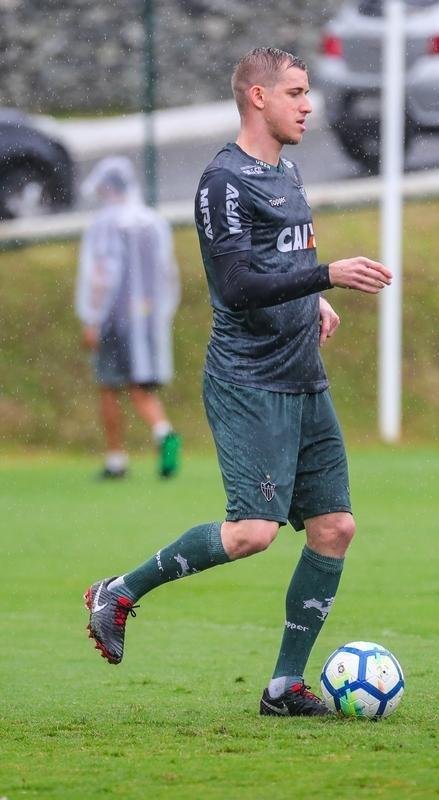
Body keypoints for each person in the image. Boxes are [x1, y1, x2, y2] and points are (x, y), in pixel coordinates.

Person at [84, 48, 392, 716]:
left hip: (303, 379)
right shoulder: (223, 181)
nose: (307, 104)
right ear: (256, 96)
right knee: (251, 531)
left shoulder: (286, 173)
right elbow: (235, 284)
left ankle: (284, 687)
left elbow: (280, 259)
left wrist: (312, 299)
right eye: (295, 92)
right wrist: (325, 276)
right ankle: (120, 591)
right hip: (249, 381)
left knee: (334, 527)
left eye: (307, 92)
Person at [75, 156, 181, 479]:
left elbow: (102, 274)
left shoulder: (105, 225)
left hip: (114, 319)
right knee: (140, 385)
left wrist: (92, 318)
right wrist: (159, 314)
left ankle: (116, 459)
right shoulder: (152, 222)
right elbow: (167, 272)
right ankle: (163, 432)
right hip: (146, 318)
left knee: (108, 386)